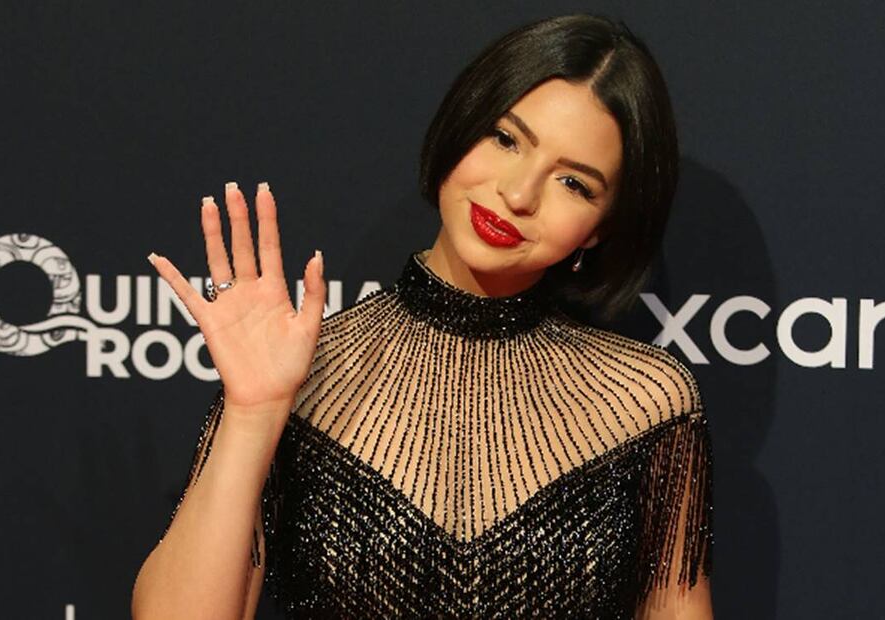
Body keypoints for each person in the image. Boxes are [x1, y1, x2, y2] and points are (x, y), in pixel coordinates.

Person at [132, 12, 715, 620]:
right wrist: (253, 414)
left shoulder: (646, 406)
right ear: (463, 124)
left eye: (574, 183)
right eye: (506, 139)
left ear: (600, 229)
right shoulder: (300, 374)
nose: (518, 194)